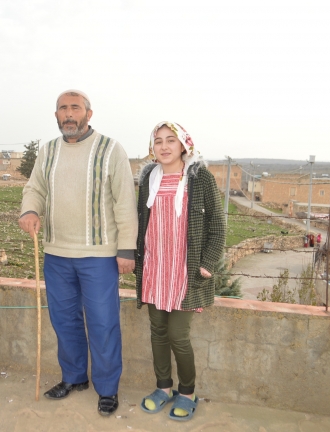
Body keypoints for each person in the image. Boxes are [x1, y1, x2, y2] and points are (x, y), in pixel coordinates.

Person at [19, 90, 137, 416]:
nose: (69, 114)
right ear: (56, 115)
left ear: (89, 113)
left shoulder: (111, 149)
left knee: (103, 323)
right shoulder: (48, 151)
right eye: (62, 109)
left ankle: (107, 389)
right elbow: (35, 189)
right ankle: (73, 378)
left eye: (75, 108)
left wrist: (126, 249)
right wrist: (29, 211)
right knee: (64, 321)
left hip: (98, 255)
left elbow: (124, 202)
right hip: (56, 253)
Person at [135, 121, 225, 421]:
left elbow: (217, 224)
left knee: (178, 335)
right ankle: (163, 388)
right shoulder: (149, 177)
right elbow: (142, 221)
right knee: (158, 332)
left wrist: (208, 262)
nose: (164, 146)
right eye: (158, 141)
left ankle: (187, 392)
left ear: (184, 145)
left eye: (170, 140)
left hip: (185, 271)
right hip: (155, 266)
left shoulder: (200, 178)